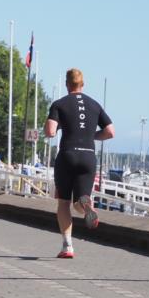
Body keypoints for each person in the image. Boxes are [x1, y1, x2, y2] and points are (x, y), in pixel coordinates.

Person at [44, 68, 115, 258]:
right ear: (83, 84)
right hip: (88, 156)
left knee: (64, 203)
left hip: (67, 155)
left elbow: (51, 131)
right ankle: (86, 206)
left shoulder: (59, 104)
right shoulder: (94, 105)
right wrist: (92, 135)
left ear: (67, 84)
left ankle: (67, 246)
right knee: (81, 199)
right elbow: (110, 131)